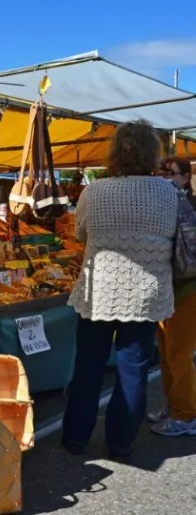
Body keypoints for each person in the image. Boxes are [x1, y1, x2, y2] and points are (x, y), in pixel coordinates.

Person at [63, 121, 178, 461]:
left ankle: (74, 437)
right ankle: (120, 442)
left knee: (88, 365)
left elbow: (81, 235)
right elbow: (175, 237)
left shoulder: (94, 191)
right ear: (152, 153)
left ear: (114, 152)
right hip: (144, 294)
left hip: (98, 290)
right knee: (133, 369)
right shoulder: (169, 194)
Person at [148, 156, 196, 437]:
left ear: (187, 178)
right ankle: (173, 404)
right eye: (161, 172)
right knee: (165, 353)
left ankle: (187, 415)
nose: (165, 176)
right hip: (165, 288)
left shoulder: (191, 204)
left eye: (172, 173)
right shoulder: (160, 206)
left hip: (188, 289)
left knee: (179, 354)